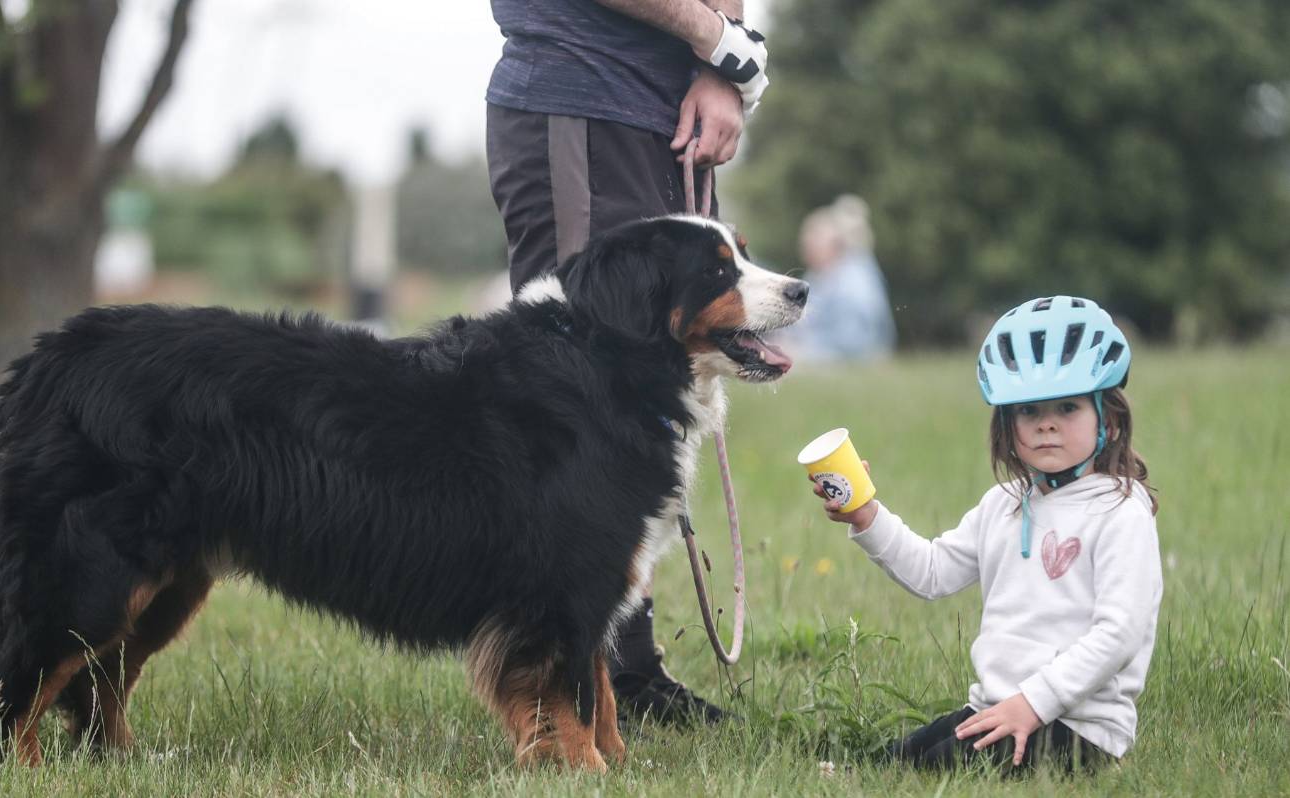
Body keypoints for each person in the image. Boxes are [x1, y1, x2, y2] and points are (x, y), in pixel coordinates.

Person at [484, 0, 771, 725]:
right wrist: (717, 38)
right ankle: (582, 674)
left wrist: (719, 69)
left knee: (637, 405)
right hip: (581, 91)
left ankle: (615, 668)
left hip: (661, 104)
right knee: (582, 405)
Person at [815, 296, 1162, 772]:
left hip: (1078, 727)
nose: (1046, 423)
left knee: (937, 768)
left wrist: (1035, 703)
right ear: (1006, 423)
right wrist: (867, 516)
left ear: (1111, 418)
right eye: (1028, 411)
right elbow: (933, 573)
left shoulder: (1120, 512)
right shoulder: (1004, 504)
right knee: (898, 758)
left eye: (1068, 407)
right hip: (999, 708)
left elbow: (1119, 633)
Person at [782, 195, 896, 362]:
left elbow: (853, 343)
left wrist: (800, 351)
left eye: (812, 242)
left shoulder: (854, 280)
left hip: (856, 358)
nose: (805, 248)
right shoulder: (819, 275)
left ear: (835, 243)